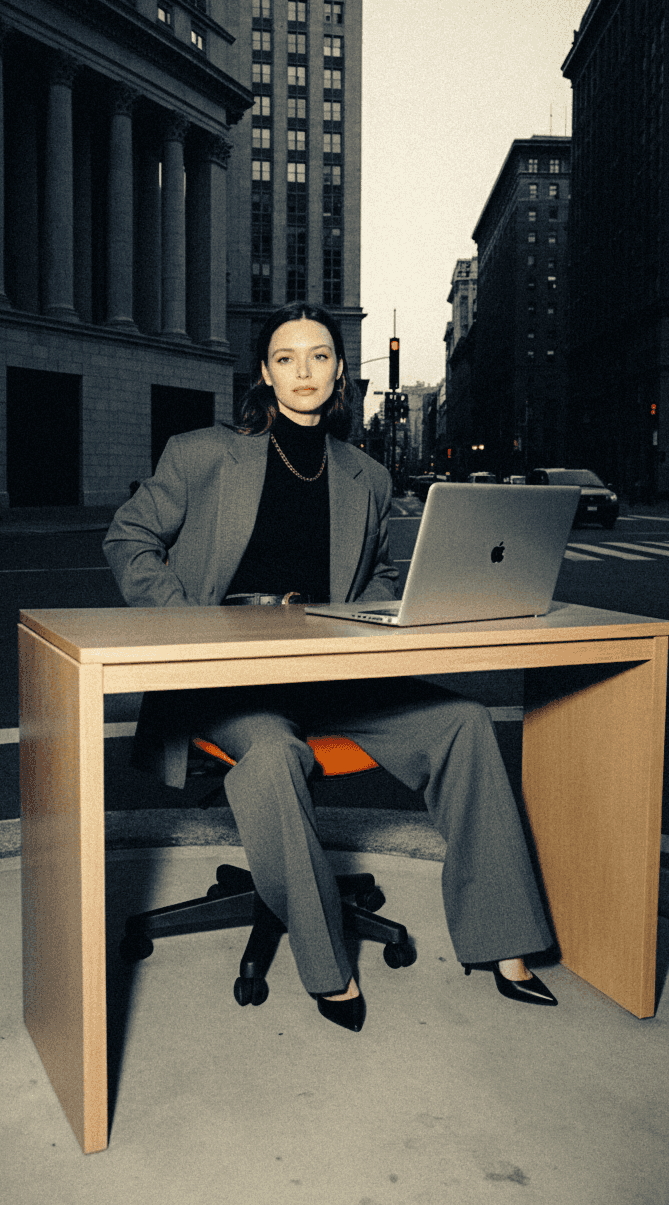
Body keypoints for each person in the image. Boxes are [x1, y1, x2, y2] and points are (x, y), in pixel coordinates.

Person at [103, 302, 558, 1032]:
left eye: (319, 356)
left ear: (341, 370)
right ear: (263, 371)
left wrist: (378, 613)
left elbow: (376, 575)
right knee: (275, 754)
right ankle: (327, 965)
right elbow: (128, 541)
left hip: (330, 670)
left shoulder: (367, 476)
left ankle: (505, 943)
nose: (304, 371)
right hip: (226, 677)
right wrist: (194, 621)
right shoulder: (201, 454)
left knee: (465, 724)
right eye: (286, 357)